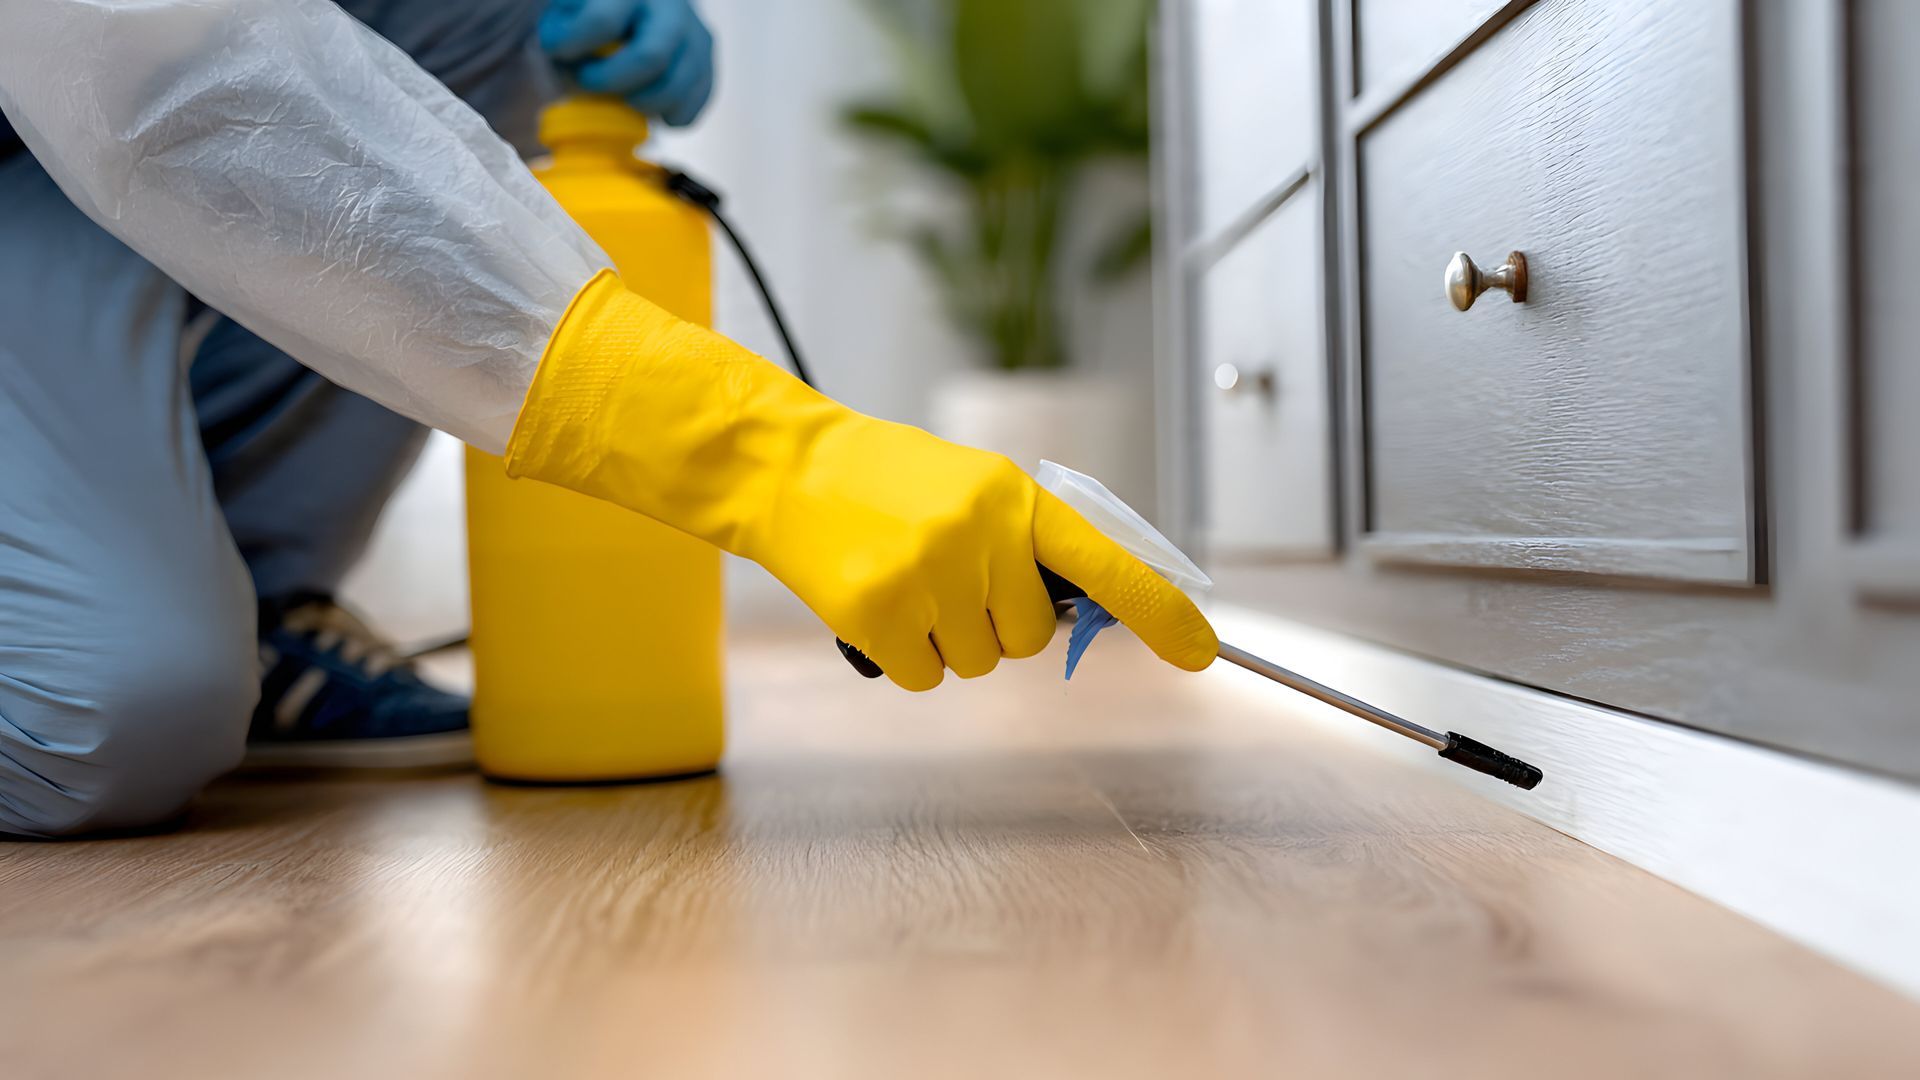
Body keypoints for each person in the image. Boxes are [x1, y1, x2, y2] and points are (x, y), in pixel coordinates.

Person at [0, 0, 1216, 840]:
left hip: (100, 153)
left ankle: (260, 611)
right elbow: (142, 49)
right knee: (107, 718)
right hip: (87, 76)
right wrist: (765, 453)